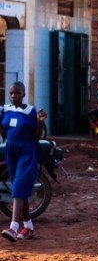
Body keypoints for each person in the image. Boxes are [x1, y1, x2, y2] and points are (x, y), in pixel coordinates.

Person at [0, 82, 47, 242]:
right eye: (11, 93)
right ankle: (28, 226)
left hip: (27, 151)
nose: (14, 96)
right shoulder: (5, 110)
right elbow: (4, 132)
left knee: (19, 187)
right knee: (20, 191)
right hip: (11, 152)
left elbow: (36, 135)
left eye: (17, 93)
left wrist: (40, 122)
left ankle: (13, 227)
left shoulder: (30, 111)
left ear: (24, 94)